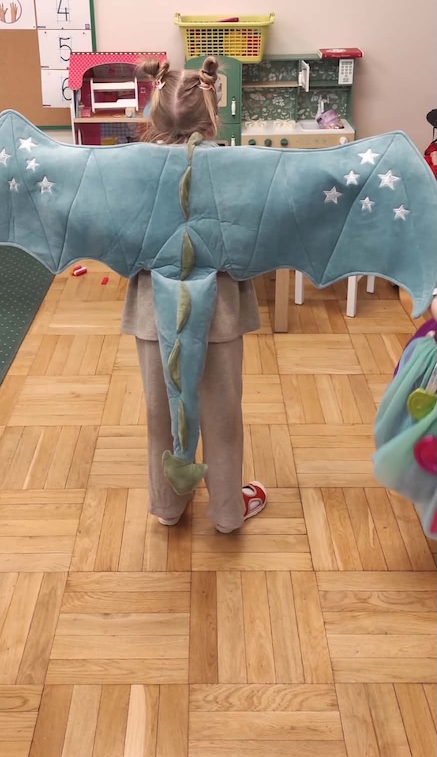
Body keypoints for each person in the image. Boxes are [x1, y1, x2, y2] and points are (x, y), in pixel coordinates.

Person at [121, 56, 267, 533]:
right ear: (212, 114)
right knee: (222, 417)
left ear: (155, 113)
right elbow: (252, 242)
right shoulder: (236, 168)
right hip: (219, 312)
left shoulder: (129, 169)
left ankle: (168, 506)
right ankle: (226, 512)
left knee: (160, 414)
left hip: (153, 312)